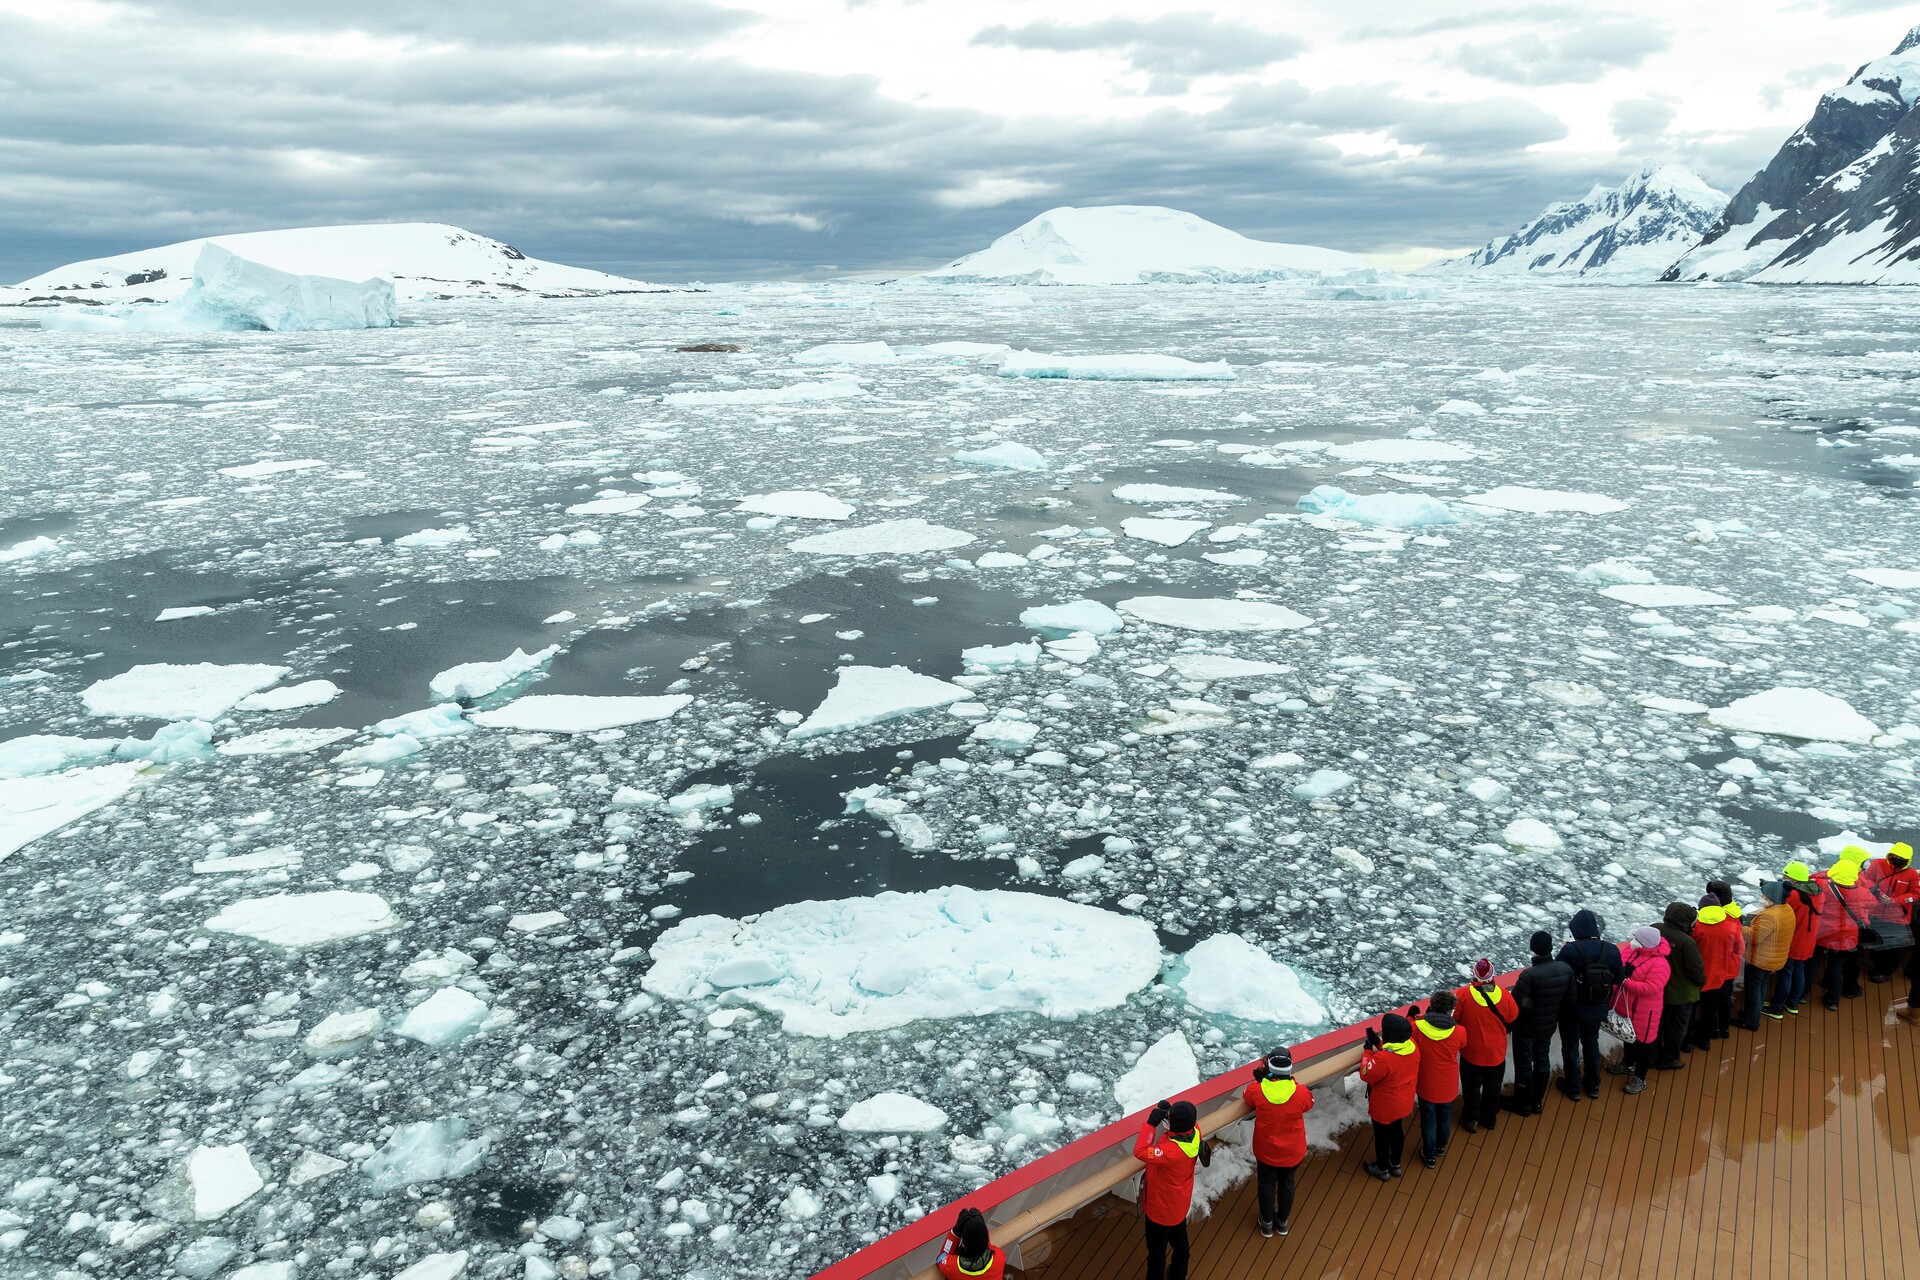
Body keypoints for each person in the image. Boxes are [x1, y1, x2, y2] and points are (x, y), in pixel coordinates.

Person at [1134, 1098, 1209, 1280]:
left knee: (1157, 1253)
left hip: (1160, 1210)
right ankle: (1178, 1275)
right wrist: (1171, 1114)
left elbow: (1141, 1151)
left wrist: (1151, 1124)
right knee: (1181, 1246)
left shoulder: (1170, 1152)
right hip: (1178, 1207)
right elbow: (1187, 1122)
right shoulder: (1195, 1133)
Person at [1242, 1048, 1313, 1237]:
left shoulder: (1257, 1090)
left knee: (1266, 1183)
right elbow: (1309, 1103)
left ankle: (1266, 1222)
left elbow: (1247, 1096)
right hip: (1292, 1151)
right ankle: (1282, 1222)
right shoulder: (1300, 1093)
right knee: (1287, 1183)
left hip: (1266, 1150)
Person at [1556, 909, 1625, 1101]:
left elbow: (1558, 974)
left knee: (1570, 1047)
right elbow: (1620, 977)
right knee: (1591, 1043)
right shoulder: (1611, 949)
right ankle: (1593, 1086)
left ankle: (1573, 1087)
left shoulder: (1570, 951)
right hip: (1598, 1008)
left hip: (1572, 1010)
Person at [1506, 931, 1571, 1116]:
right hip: (1548, 1025)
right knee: (1542, 1058)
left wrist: (1531, 1008)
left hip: (1526, 1027)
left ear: (1533, 949)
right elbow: (1570, 998)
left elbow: (1517, 1003)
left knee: (1524, 1062)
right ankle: (1536, 1102)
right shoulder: (1565, 969)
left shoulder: (1529, 976)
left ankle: (1522, 1103)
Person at [1454, 958, 1516, 1132]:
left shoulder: (1464, 995)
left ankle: (1471, 1119)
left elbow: (1456, 1018)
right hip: (1496, 1054)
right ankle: (1490, 1119)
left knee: (1471, 1088)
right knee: (1493, 1087)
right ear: (1492, 976)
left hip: (1471, 1054)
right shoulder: (1504, 996)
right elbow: (1512, 1016)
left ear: (1475, 976)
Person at [1609, 925, 1670, 1095]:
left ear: (1645, 944)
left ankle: (1640, 1079)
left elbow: (1652, 987)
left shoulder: (1660, 964)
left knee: (1644, 1046)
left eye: (1637, 939)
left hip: (1645, 1013)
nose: (1633, 941)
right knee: (1628, 1038)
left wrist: (1625, 981)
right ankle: (1628, 1064)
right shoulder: (1631, 950)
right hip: (1626, 1007)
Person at [1358, 1012, 1418, 1181]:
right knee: (1397, 1131)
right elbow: (1394, 1049)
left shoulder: (1384, 1059)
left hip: (1385, 1107)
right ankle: (1395, 1164)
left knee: (1382, 1137)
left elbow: (1365, 1073)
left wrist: (1368, 1052)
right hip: (1403, 1102)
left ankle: (1382, 1169)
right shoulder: (1412, 1046)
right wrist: (1379, 1043)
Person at [1410, 993, 1464, 1167]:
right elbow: (1463, 1044)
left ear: (1432, 1005)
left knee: (1428, 1118)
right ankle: (1440, 1147)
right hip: (1447, 1084)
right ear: (1450, 1010)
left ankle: (1429, 1153)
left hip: (1426, 1083)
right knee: (1444, 1115)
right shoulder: (1459, 1032)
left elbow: (1409, 1034)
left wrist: (1420, 1017)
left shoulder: (1418, 1027)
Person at [1813, 855, 1873, 1010]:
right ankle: (1832, 1000)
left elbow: (1811, 879)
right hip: (1845, 937)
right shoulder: (1863, 893)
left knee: (1812, 963)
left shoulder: (1823, 885)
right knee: (1837, 968)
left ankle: (1801, 994)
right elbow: (1870, 907)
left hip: (1823, 933)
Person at [1652, 902, 1705, 1069]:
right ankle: (1669, 1058)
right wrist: (1701, 982)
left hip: (1658, 990)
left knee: (1656, 1026)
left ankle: (1651, 1057)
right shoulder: (1687, 942)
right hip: (1681, 995)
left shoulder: (1655, 929)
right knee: (1676, 1029)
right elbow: (1694, 970)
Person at [1735, 881, 1794, 1030]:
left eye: (1764, 895)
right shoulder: (1787, 909)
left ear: (1771, 898)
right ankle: (1755, 1013)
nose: (1761, 897)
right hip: (1774, 958)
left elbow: (1753, 937)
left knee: (1753, 989)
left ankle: (1751, 1021)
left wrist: (1741, 927)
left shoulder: (1770, 916)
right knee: (1761, 985)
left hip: (1760, 960)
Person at [1689, 891, 1743, 1048]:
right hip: (1718, 976)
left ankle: (1687, 1041)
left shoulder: (1697, 927)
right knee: (1709, 1008)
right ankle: (1704, 1040)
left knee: (1692, 1007)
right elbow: (1740, 949)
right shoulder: (1731, 927)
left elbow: (1690, 950)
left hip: (1697, 975)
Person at [1775, 861, 1825, 1016]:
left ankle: (1777, 1006)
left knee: (1786, 973)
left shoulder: (1794, 895)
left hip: (1793, 940)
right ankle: (1793, 1003)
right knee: (1799, 970)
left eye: (1786, 876)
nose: (1784, 878)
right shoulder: (1818, 892)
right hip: (1808, 940)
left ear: (1793, 878)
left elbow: (1780, 911)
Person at [1864, 844, 1918, 983]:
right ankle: (1877, 966)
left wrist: (1895, 901)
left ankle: (1885, 971)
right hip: (1875, 913)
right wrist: (1878, 893)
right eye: (1895, 857)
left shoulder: (1911, 874)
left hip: (1897, 917)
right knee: (1877, 944)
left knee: (1892, 948)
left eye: (1901, 859)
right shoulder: (1877, 864)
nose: (1897, 860)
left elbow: (1915, 894)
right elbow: (1866, 880)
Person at [935, 1207, 1006, 1280]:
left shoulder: (951, 1267)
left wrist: (955, 1232)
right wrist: (981, 1226)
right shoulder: (1000, 1258)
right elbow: (988, 1246)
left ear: (963, 1244)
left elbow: (942, 1256)